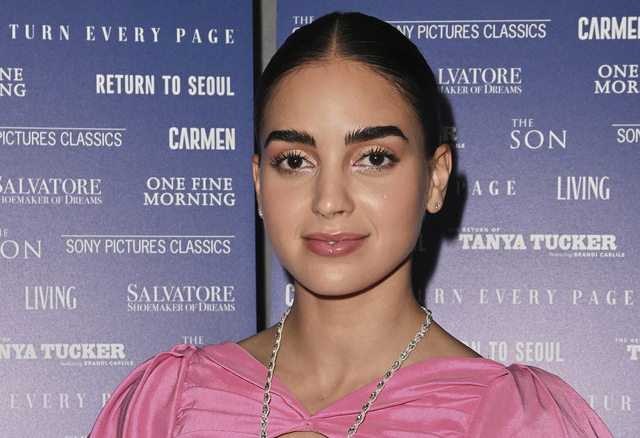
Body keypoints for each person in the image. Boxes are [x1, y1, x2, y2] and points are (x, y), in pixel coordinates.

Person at [90, 11, 612, 437]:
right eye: (295, 160)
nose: (329, 200)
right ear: (257, 182)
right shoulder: (169, 403)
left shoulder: (518, 420)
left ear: (435, 178)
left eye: (374, 158)